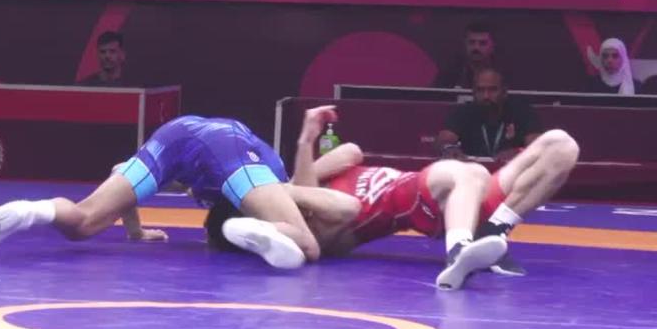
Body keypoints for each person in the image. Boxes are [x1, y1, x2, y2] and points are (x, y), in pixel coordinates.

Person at [207, 106, 580, 287]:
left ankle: (492, 231)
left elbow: (350, 151)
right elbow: (313, 202)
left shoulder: (309, 181)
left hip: (464, 201)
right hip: (426, 199)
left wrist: (306, 150)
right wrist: (304, 145)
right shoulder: (324, 226)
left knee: (561, 144)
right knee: (470, 171)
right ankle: (458, 253)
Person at [0, 115, 329, 269]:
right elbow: (312, 189)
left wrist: (135, 230)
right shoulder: (272, 177)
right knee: (309, 248)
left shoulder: (224, 182)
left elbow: (117, 170)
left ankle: (34, 210)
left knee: (84, 221)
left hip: (175, 135)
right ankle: (267, 232)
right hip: (231, 149)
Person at [436, 67, 540, 164]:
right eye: (480, 90)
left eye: (492, 90)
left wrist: (519, 152)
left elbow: (537, 145)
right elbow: (444, 139)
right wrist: (449, 148)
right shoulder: (463, 111)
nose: (486, 96)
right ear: (473, 92)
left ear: (504, 92)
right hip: (473, 170)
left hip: (511, 170)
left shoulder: (522, 111)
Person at [432, 21, 500, 90]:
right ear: (465, 44)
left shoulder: (502, 73)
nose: (476, 47)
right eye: (471, 42)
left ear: (493, 47)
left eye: (482, 43)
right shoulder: (450, 73)